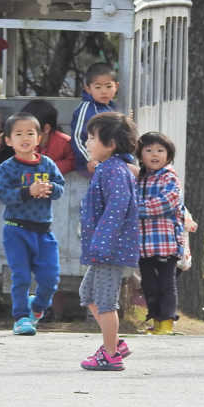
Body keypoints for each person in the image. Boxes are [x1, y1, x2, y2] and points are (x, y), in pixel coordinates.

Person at [0, 112, 66, 336]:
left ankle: (37, 307)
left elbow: (60, 187)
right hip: (16, 229)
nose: (24, 138)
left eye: (30, 133)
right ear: (8, 140)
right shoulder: (7, 167)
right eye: (18, 134)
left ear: (38, 138)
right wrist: (29, 191)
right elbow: (3, 194)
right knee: (21, 276)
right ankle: (20, 317)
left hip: (44, 231)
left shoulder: (47, 163)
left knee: (51, 279)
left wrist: (51, 189)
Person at [78, 112, 139, 371]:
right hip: (103, 248)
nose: (87, 142)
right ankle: (115, 342)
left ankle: (110, 354)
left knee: (105, 301)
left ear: (111, 144)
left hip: (109, 250)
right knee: (87, 293)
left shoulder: (113, 169)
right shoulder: (109, 168)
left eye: (92, 138)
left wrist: (102, 242)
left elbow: (118, 205)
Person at [136, 131, 184, 335]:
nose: (154, 154)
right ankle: (155, 321)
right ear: (140, 156)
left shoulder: (169, 177)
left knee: (166, 285)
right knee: (149, 286)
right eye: (148, 150)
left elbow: (167, 203)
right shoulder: (138, 179)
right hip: (143, 246)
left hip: (166, 244)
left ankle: (167, 323)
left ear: (169, 156)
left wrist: (136, 209)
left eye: (160, 150)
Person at [70, 62, 118, 176]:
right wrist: (88, 158)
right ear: (88, 89)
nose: (104, 91)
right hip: (91, 166)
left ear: (116, 87)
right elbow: (77, 137)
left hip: (110, 162)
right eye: (98, 87)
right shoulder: (85, 109)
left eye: (108, 86)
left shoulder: (112, 108)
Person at [21, 98, 76, 175]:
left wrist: (49, 167)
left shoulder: (64, 142)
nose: (25, 136)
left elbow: (72, 162)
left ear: (46, 128)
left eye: (30, 132)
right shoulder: (22, 142)